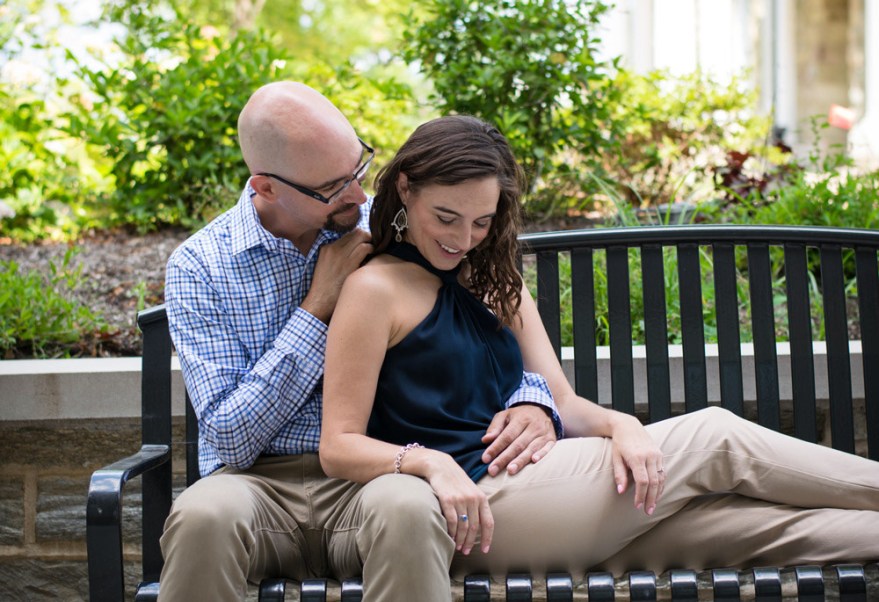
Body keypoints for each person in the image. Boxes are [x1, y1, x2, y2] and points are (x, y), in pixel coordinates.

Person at [319, 114, 879, 582]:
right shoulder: (375, 289)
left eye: (481, 222)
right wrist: (431, 462)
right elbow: (338, 446)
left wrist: (621, 425)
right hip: (474, 503)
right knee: (715, 437)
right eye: (446, 217)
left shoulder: (492, 280)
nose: (462, 239)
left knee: (745, 527)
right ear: (405, 188)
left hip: (552, 495)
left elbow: (563, 403)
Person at [159, 81, 578, 601]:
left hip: (372, 479)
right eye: (334, 187)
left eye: (357, 169)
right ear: (266, 188)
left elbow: (476, 320)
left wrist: (533, 399)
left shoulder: (388, 225)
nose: (359, 196)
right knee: (201, 516)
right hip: (251, 487)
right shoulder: (200, 267)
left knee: (409, 509)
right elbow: (231, 438)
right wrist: (317, 309)